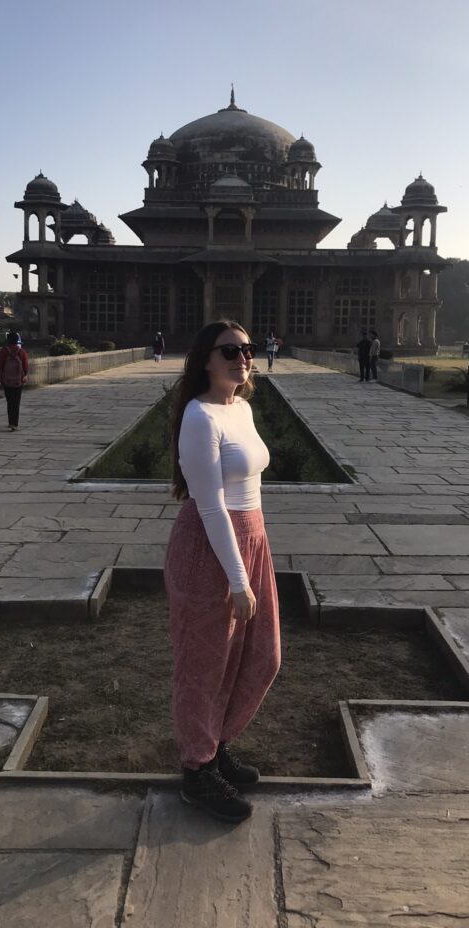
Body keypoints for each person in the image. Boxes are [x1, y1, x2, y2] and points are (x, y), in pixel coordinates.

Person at [164, 320, 281, 823]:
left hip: (252, 537)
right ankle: (198, 771)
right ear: (205, 360)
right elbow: (210, 505)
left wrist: (253, 555)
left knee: (262, 655)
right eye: (229, 350)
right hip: (210, 548)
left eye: (247, 349)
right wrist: (237, 579)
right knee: (204, 666)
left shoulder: (242, 407)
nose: (241, 357)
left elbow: (247, 484)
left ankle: (216, 746)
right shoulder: (199, 416)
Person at [0, 330, 29, 431]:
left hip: (6, 380)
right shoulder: (22, 352)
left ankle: (11, 422)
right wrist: (25, 375)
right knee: (16, 402)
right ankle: (15, 423)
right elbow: (26, 367)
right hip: (18, 380)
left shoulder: (4, 351)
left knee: (9, 402)